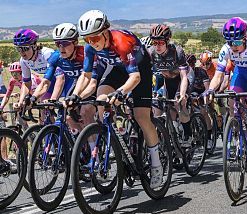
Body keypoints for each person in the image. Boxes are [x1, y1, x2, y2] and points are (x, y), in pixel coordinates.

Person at [71, 10, 163, 189]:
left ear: (105, 32)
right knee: (101, 100)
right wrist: (75, 95)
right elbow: (86, 75)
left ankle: (156, 164)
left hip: (139, 69)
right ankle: (116, 140)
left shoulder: (121, 42)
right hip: (118, 69)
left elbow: (135, 78)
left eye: (95, 38)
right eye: (87, 39)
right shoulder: (91, 46)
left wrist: (120, 93)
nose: (92, 43)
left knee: (141, 117)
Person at [204, 17, 247, 169]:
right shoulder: (225, 49)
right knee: (232, 102)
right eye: (230, 42)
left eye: (237, 42)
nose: (233, 46)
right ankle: (241, 135)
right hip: (240, 74)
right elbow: (218, 75)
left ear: (245, 38)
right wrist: (210, 90)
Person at [30, 23, 96, 133]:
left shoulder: (85, 55)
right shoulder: (56, 57)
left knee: (86, 112)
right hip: (77, 84)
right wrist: (33, 98)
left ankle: (99, 146)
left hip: (92, 81)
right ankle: (82, 145)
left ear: (75, 42)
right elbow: (46, 82)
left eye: (65, 43)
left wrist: (78, 97)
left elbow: (91, 81)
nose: (61, 48)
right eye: (58, 44)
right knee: (69, 117)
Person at [147, 24, 192, 147]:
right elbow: (145, 75)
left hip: (182, 79)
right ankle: (174, 133)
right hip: (168, 81)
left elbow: (184, 76)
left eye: (161, 42)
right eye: (154, 42)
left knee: (179, 102)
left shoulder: (177, 51)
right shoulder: (151, 52)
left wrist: (182, 94)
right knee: (164, 105)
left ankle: (188, 134)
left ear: (167, 41)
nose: (157, 46)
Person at [12, 29, 64, 110]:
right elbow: (26, 83)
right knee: (45, 110)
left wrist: (53, 99)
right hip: (50, 80)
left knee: (71, 113)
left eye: (25, 48)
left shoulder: (46, 54)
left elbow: (60, 78)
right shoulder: (23, 61)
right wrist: (21, 102)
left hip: (65, 77)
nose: (21, 52)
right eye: (18, 49)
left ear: (34, 46)